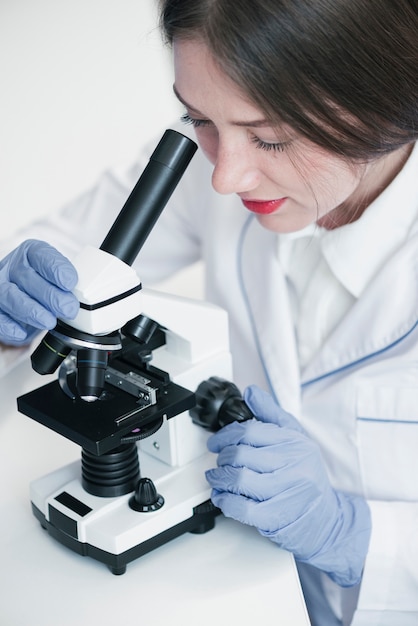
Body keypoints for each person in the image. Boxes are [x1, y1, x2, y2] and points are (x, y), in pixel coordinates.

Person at [1, 1, 417, 623]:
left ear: (389, 102)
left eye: (271, 136)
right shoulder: (214, 159)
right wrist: (11, 308)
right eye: (196, 118)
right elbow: (67, 251)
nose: (225, 177)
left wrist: (350, 537)